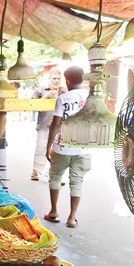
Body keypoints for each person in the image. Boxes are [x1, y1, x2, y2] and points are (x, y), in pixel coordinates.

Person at [45, 66, 91, 228]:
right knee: (77, 182)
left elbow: (56, 124)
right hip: (83, 148)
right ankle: (72, 217)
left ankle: (54, 211)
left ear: (68, 80)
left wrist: (48, 147)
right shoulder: (90, 98)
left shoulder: (63, 98)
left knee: (55, 177)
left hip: (62, 147)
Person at [31, 68, 66, 181]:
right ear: (49, 79)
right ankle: (35, 171)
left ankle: (52, 173)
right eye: (54, 78)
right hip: (44, 125)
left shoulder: (65, 92)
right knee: (40, 149)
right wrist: (46, 97)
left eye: (58, 79)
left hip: (59, 128)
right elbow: (32, 105)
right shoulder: (40, 90)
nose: (56, 81)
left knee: (56, 151)